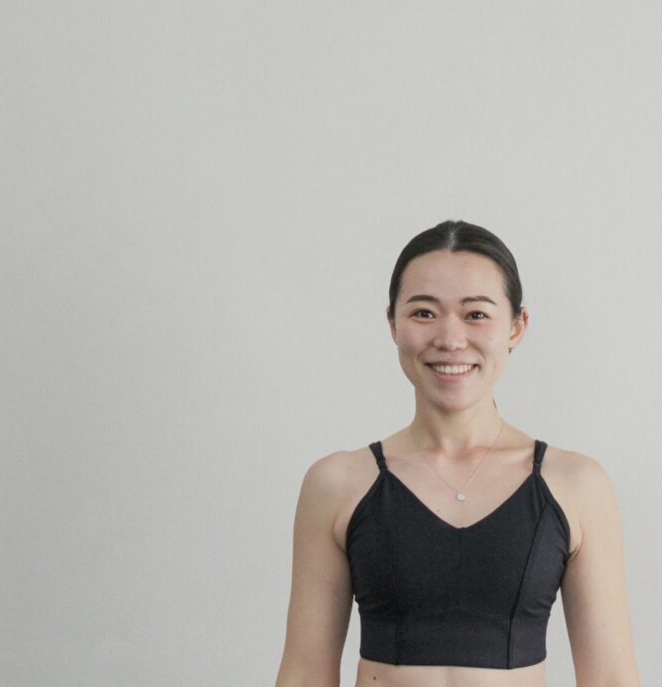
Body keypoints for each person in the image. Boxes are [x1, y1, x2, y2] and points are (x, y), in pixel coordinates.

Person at [275, 220, 641, 687]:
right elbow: (305, 673)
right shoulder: (337, 484)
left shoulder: (575, 484)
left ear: (517, 327)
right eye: (424, 312)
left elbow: (611, 677)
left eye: (476, 314)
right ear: (393, 324)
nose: (450, 339)